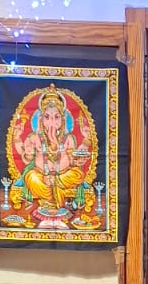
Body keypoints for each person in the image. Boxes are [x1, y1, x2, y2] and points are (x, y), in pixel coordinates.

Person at [11, 85, 98, 225]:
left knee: (77, 174)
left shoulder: (68, 138)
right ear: (41, 120)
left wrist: (86, 140)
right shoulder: (34, 137)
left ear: (63, 120)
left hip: (63, 176)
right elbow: (25, 157)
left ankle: (54, 191)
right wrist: (17, 139)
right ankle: (57, 197)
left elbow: (74, 160)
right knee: (31, 177)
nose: (52, 121)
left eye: (56, 117)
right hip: (41, 176)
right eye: (47, 117)